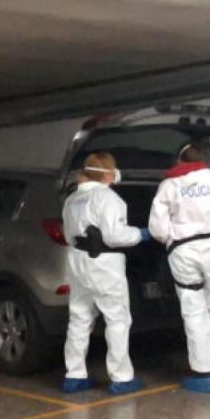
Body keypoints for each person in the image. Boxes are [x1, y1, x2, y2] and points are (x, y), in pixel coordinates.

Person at [149, 144, 210, 393]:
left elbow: (157, 228)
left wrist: (172, 238)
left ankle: (203, 374)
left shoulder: (170, 185)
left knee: (194, 310)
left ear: (178, 160)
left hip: (185, 250)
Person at [61, 152, 149, 395]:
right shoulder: (107, 197)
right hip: (104, 264)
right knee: (117, 319)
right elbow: (114, 235)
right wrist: (141, 234)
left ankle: (74, 375)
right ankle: (121, 378)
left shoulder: (72, 199)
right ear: (108, 174)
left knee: (79, 318)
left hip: (78, 263)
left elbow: (69, 236)